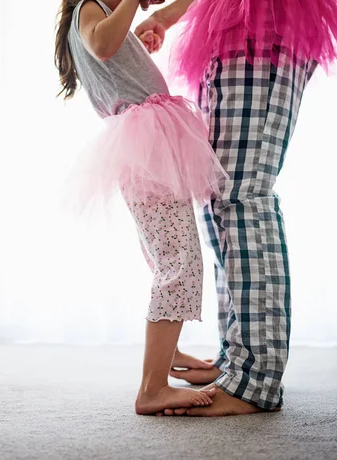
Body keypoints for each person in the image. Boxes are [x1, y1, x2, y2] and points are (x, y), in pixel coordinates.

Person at [134, 0, 337, 416]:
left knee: (242, 194)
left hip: (262, 23)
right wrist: (164, 16)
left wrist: (164, 14)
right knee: (222, 195)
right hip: (233, 25)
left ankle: (256, 379)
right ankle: (237, 360)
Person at [54, 0, 228, 415]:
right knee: (179, 263)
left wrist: (147, 25)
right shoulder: (88, 10)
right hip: (144, 144)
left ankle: (170, 355)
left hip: (149, 142)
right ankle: (152, 389)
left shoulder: (103, 13)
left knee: (166, 255)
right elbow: (103, 45)